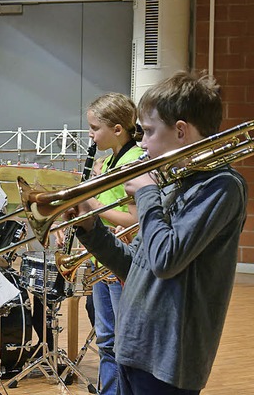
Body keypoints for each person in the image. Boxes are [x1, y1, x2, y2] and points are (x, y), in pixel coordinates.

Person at [72, 71, 247, 394]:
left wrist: (146, 194)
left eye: (149, 131)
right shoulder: (174, 181)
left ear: (180, 131)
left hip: (168, 361)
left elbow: (167, 260)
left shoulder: (221, 187)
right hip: (134, 347)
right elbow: (137, 264)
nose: (142, 143)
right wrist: (91, 228)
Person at [83, 92, 143, 394]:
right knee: (106, 340)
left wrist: (92, 206)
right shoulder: (108, 162)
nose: (91, 136)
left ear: (117, 129)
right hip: (102, 262)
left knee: (122, 342)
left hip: (121, 264)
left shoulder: (134, 162)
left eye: (95, 129)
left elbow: (134, 219)